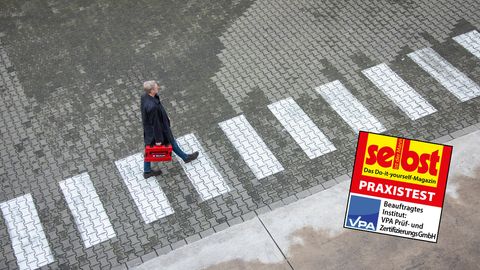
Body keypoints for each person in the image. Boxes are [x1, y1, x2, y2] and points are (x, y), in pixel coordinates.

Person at [141, 80, 199, 179]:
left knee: (150, 147)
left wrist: (165, 117)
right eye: (156, 87)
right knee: (167, 143)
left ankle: (147, 171)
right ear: (151, 90)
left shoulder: (145, 97)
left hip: (150, 129)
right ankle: (185, 157)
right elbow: (156, 124)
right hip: (159, 130)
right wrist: (159, 140)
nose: (158, 87)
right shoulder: (152, 107)